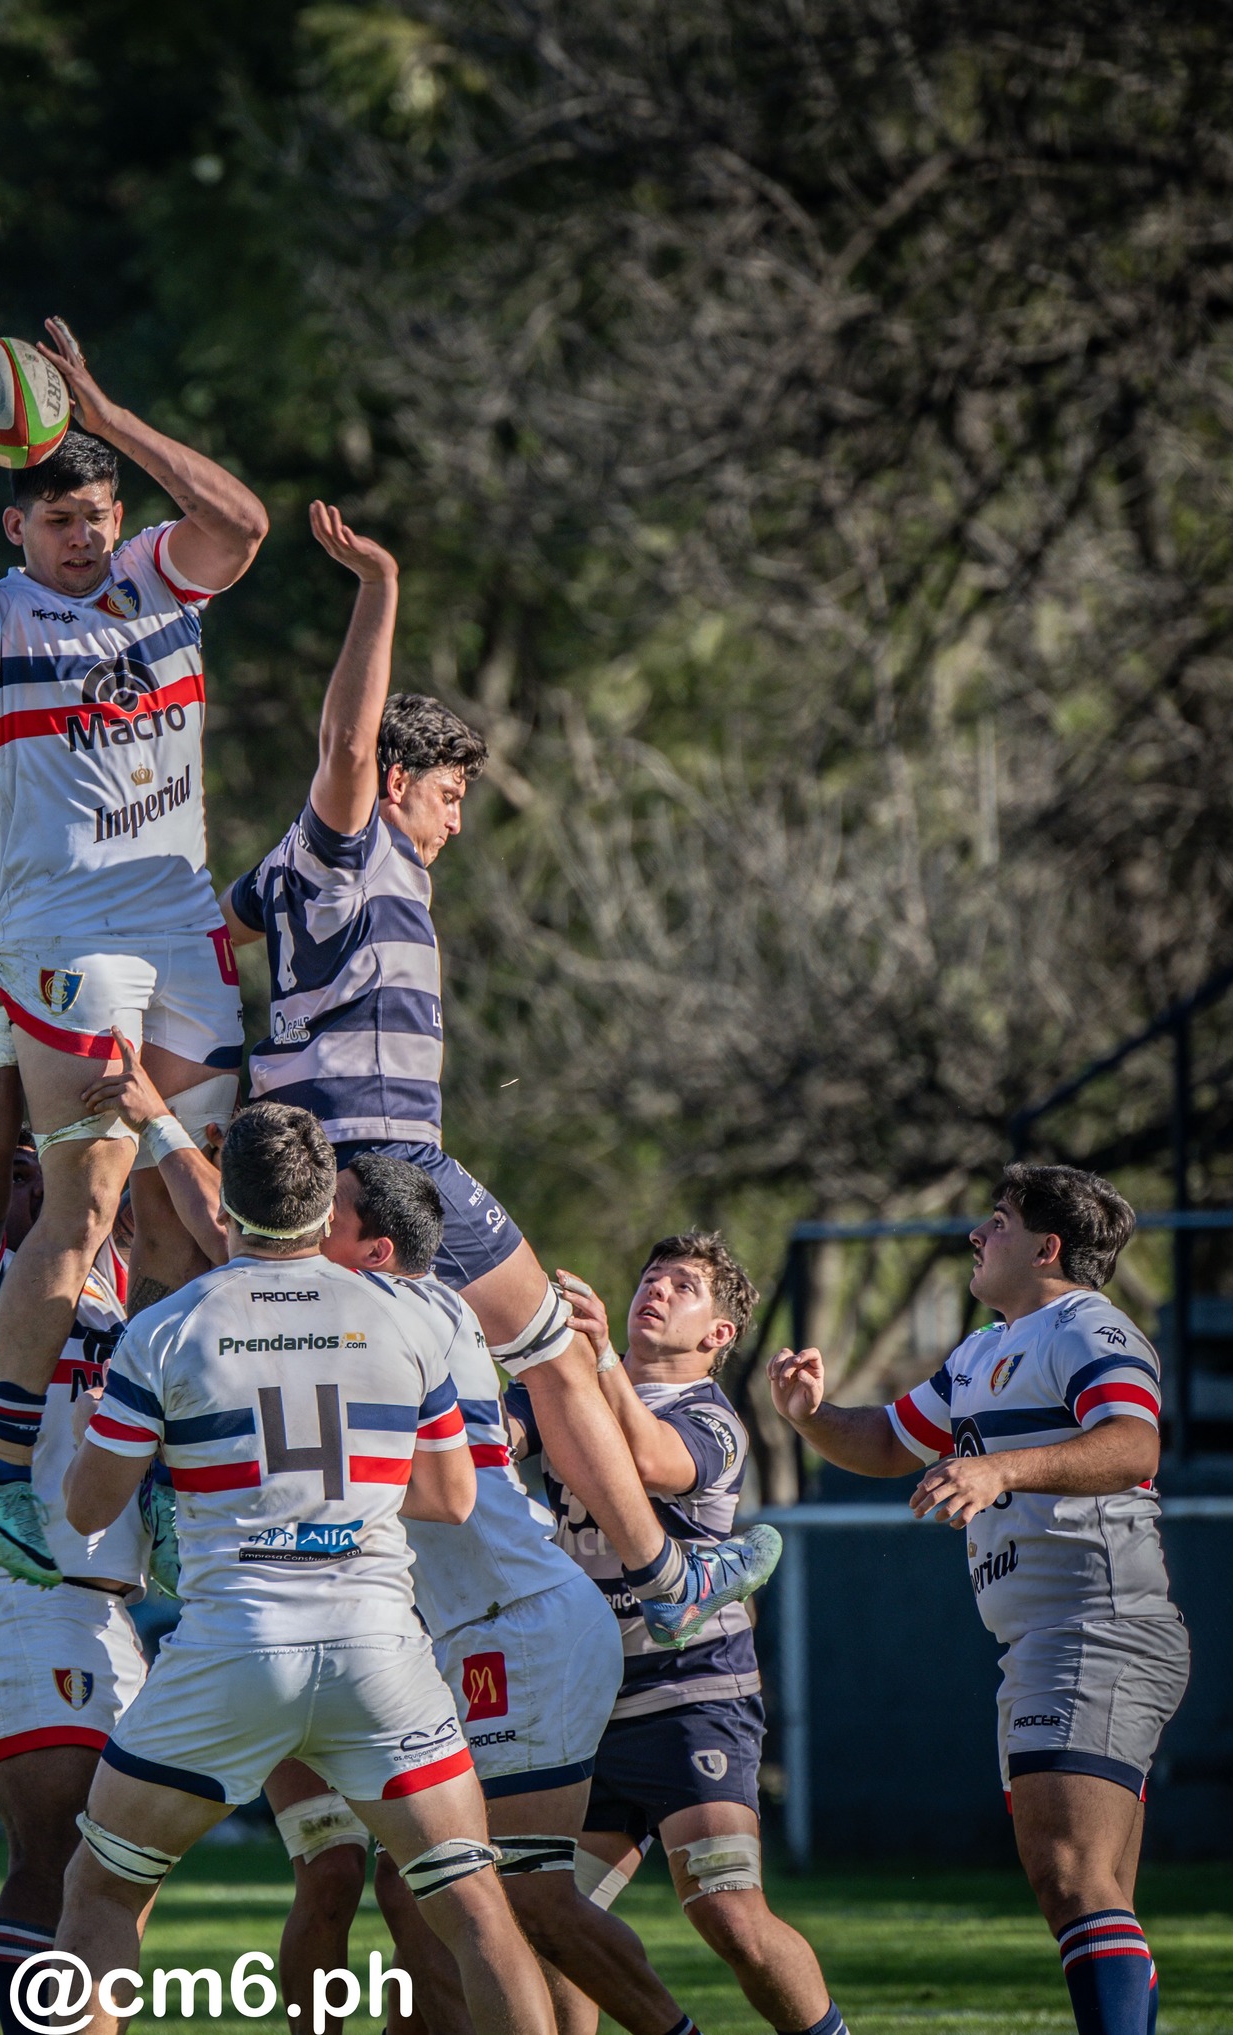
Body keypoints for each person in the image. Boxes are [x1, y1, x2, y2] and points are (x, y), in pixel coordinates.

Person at [221, 504, 777, 1652]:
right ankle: (663, 1571)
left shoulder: (282, 869)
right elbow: (342, 746)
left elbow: (209, 927)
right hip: (384, 1155)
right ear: (396, 779)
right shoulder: (345, 836)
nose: (458, 821)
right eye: (448, 794)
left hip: (301, 1171)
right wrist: (376, 586)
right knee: (561, 1353)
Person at [53, 1101, 556, 2035]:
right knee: (476, 1910)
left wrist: (105, 1440)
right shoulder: (403, 1315)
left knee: (100, 1890)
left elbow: (88, 1509)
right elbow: (450, 1496)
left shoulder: (167, 1328)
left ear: (230, 1213)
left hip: (233, 1649)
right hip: (377, 1651)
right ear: (328, 1212)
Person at [0, 315, 269, 1590]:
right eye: (60, 522)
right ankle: (6, 1478)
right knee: (89, 1199)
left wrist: (106, 418)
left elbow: (244, 525)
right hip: (69, 941)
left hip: (182, 928)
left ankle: (154, 1480)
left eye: (98, 515)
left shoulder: (160, 577)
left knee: (177, 1219)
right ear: (20, 529)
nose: (85, 534)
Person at [769, 1164, 1190, 2035]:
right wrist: (812, 1416)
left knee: (1070, 1874)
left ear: (1047, 1247)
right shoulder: (982, 1351)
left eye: (997, 1221)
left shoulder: (1085, 1326)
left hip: (1096, 1625)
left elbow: (1134, 1441)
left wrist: (1000, 1467)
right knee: (1092, 1888)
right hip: (1052, 1635)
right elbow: (889, 1439)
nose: (977, 1235)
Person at [300, 1155, 711, 2035]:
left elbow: (247, 1236)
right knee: (427, 1889)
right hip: (482, 1632)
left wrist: (161, 1130)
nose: (307, 1219)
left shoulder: (383, 1313)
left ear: (374, 1251)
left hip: (520, 1632)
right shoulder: (409, 1308)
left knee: (530, 1897)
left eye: (326, 1209)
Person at [0, 1037, 220, 2035]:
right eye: (17, 1175)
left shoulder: (100, 1283)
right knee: (59, 1849)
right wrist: (11, 1029)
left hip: (106, 1605)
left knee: (114, 1870)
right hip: (16, 1588)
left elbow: (175, 1234)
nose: (33, 1181)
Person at [530, 1238, 848, 2035]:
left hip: (689, 1695)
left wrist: (598, 1356)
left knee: (727, 1913)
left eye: (685, 1287)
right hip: (590, 1697)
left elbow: (646, 1458)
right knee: (557, 1923)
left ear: (719, 1335)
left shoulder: (710, 1416)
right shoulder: (575, 1397)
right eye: (651, 1279)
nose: (658, 1293)